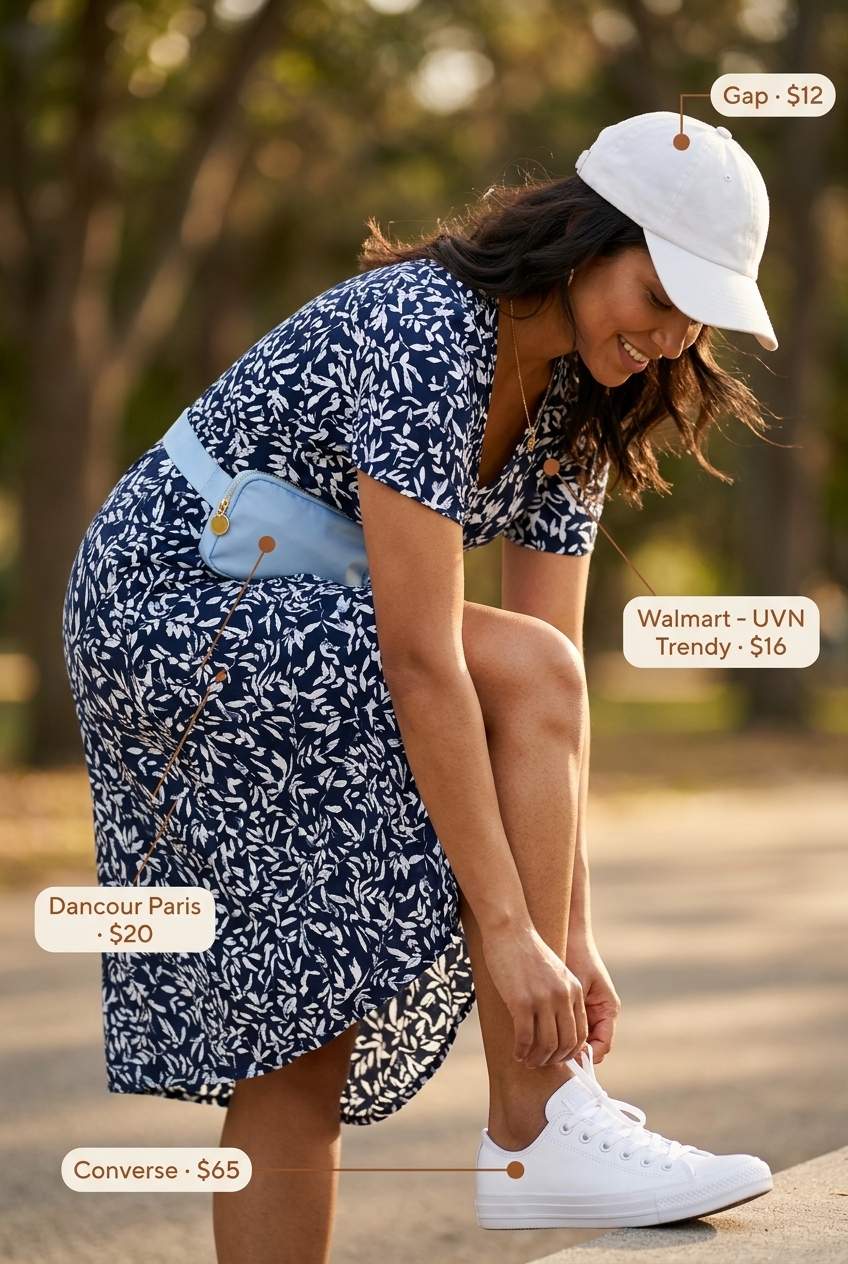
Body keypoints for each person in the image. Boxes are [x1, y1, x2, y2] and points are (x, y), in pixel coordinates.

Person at [64, 113, 777, 1263]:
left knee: (306, 1021)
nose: (673, 333)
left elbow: (546, 701)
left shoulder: (575, 408)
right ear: (588, 241)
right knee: (336, 974)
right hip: (171, 605)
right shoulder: (426, 331)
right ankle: (537, 1124)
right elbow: (424, 656)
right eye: (658, 290)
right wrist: (503, 930)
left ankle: (541, 1121)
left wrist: (568, 933)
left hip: (303, 629)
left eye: (698, 311)